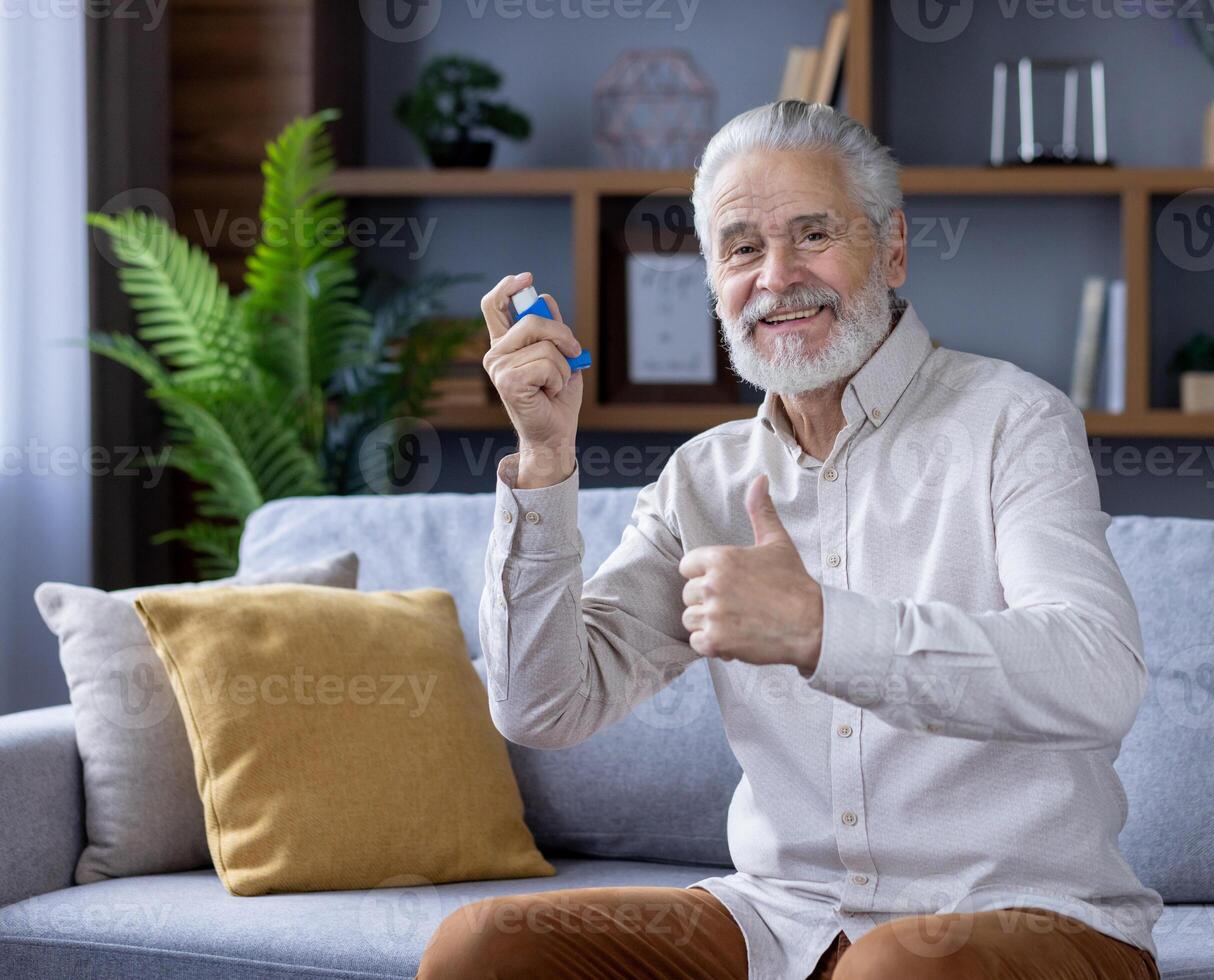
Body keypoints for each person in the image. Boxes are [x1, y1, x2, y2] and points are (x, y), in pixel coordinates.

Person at [417, 99, 1162, 980]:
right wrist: (545, 461)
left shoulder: (1013, 420)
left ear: (891, 246)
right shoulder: (703, 478)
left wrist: (822, 630)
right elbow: (543, 709)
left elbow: (1096, 676)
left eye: (813, 235)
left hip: (1026, 917)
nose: (775, 277)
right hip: (784, 920)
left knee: (893, 970)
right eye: (740, 248)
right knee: (483, 950)